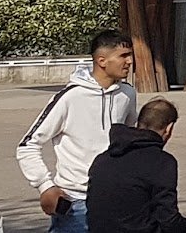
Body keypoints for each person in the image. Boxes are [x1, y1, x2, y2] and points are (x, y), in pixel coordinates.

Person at [18, 29, 140, 233]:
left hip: (115, 199)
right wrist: (45, 186)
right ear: (102, 60)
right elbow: (27, 146)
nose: (129, 62)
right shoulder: (70, 97)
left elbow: (128, 138)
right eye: (123, 56)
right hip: (75, 204)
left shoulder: (127, 94)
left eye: (130, 56)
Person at [85, 98, 186, 233]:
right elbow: (167, 216)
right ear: (169, 129)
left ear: (138, 124)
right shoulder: (162, 162)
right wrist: (185, 226)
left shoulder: (103, 159)